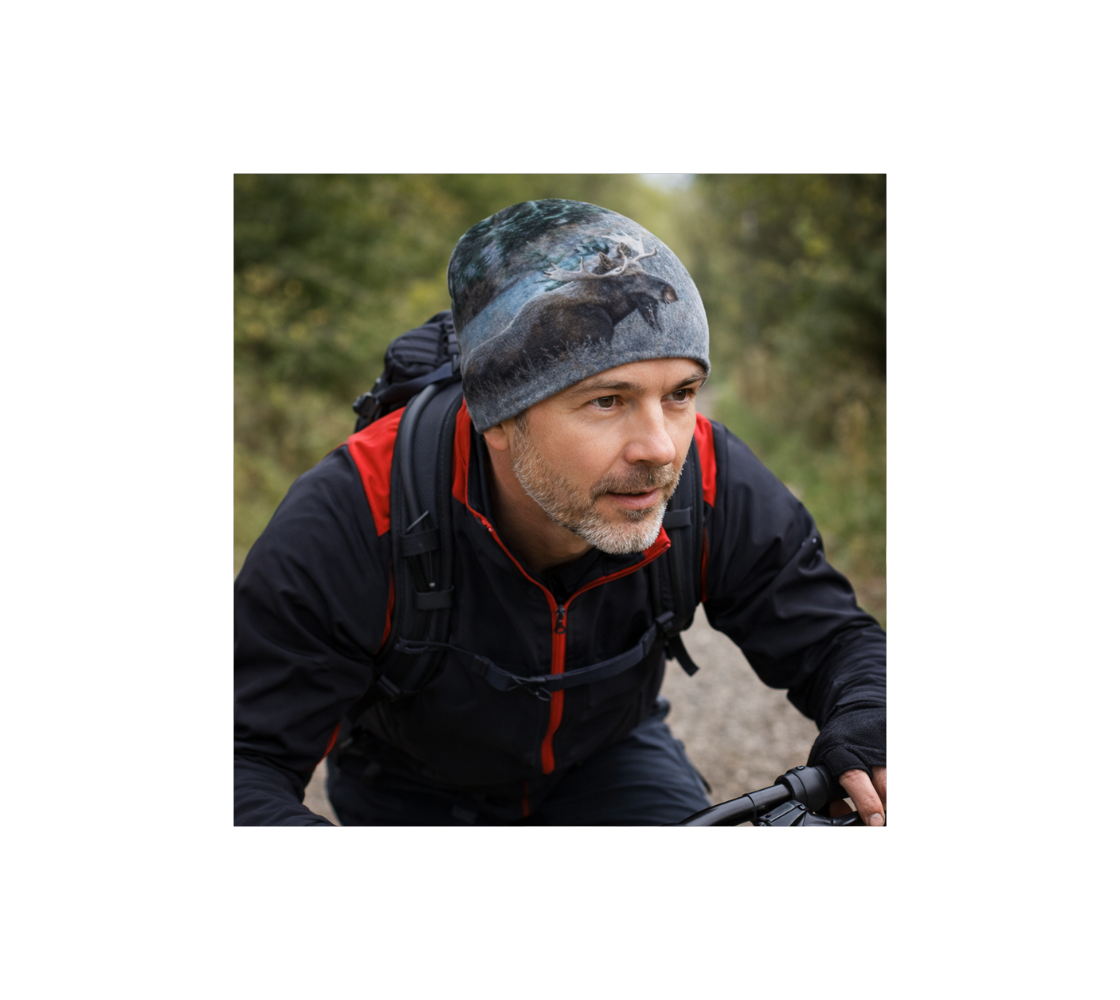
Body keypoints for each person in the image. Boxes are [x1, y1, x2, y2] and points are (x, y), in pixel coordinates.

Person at [233, 199, 887, 827]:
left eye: (682, 393)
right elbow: (247, 760)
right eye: (606, 400)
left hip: (605, 759)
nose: (659, 448)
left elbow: (834, 638)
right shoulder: (359, 509)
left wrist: (868, 719)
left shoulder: (706, 473)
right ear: (498, 415)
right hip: (409, 784)